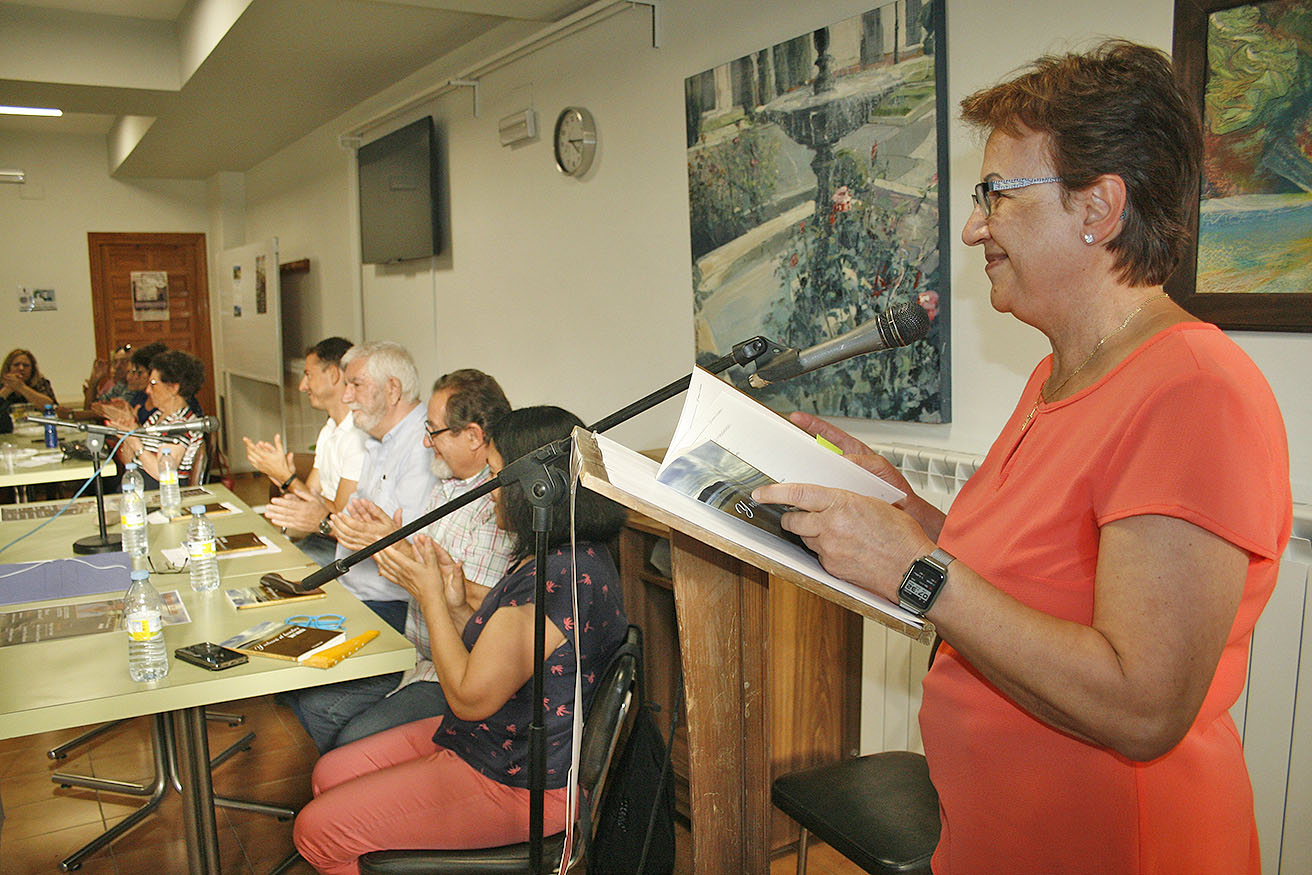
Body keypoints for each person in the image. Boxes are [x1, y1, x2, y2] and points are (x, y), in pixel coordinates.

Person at [753, 41, 1292, 873]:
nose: (976, 226)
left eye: (997, 194)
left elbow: (1143, 705)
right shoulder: (1053, 375)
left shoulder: (1193, 388)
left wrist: (913, 568)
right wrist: (902, 508)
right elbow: (1026, 577)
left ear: (1098, 206)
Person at [292, 405, 629, 874]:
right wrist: (453, 602)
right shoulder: (572, 554)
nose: (490, 491)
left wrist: (430, 597)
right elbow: (511, 648)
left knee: (315, 830)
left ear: (538, 488)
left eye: (496, 477)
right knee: (330, 772)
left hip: (524, 781)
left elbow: (470, 699)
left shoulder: (558, 578)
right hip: (497, 743)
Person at [282, 368, 515, 752]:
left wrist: (388, 545)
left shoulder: (496, 503)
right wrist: (391, 539)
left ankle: (356, 779)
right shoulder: (448, 485)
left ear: (474, 436)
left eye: (434, 431)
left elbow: (478, 607)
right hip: (415, 654)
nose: (425, 442)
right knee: (304, 690)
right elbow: (433, 565)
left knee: (340, 724)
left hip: (449, 673)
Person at [290, 341, 436, 634]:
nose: (347, 396)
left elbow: (403, 547)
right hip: (353, 591)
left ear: (392, 389)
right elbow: (353, 520)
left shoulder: (423, 445)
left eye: (355, 385)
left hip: (392, 605)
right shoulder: (378, 437)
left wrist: (323, 521)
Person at [248, 337, 366, 567]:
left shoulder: (357, 436)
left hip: (343, 549)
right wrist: (286, 483)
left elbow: (338, 517)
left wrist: (288, 478)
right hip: (319, 538)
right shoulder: (329, 430)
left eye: (308, 375)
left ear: (334, 375)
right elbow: (311, 495)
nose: (303, 386)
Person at [116, 350, 208, 488]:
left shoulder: (181, 424)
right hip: (140, 487)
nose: (147, 390)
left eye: (153, 384)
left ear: (173, 388)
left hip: (162, 493)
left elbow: (164, 473)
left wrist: (135, 442)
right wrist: (129, 435)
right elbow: (129, 462)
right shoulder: (157, 417)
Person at [81, 344, 134, 408]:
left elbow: (115, 410)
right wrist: (93, 382)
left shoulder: (136, 387)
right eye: (115, 362)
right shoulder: (120, 385)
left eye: (124, 362)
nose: (117, 366)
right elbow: (91, 407)